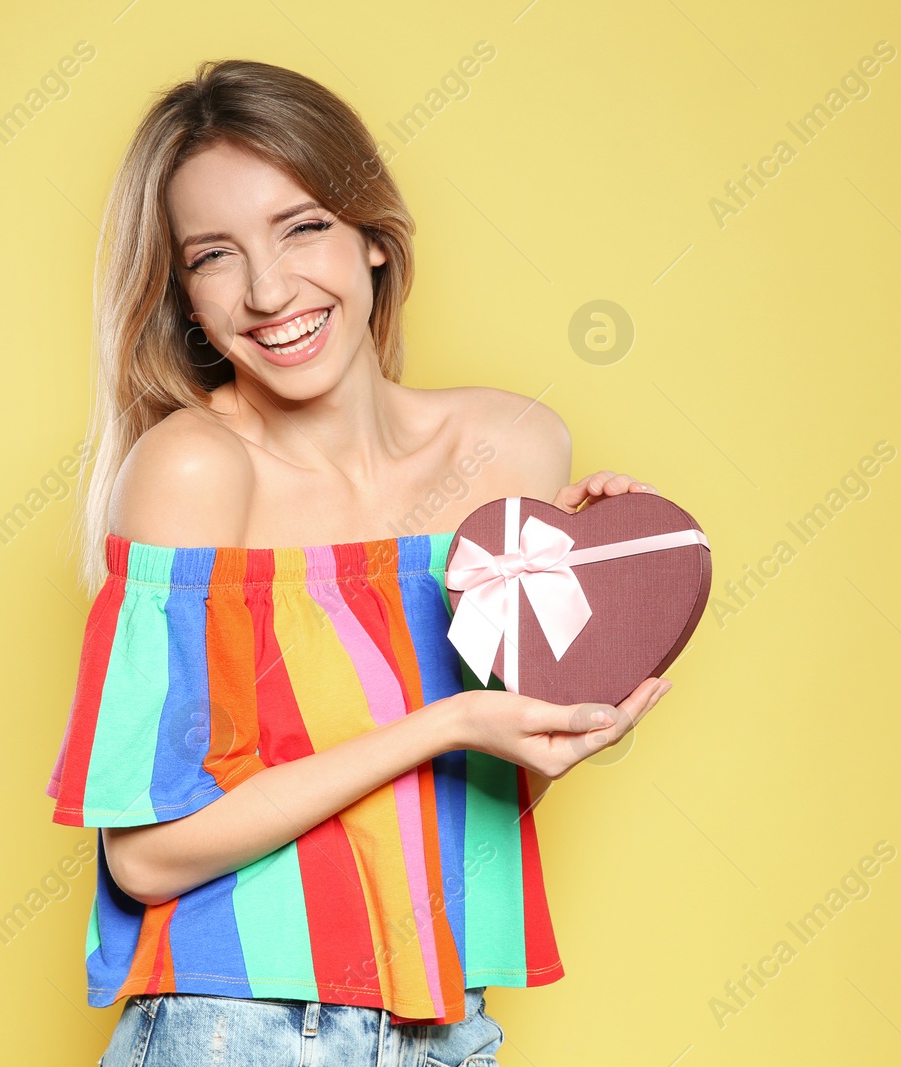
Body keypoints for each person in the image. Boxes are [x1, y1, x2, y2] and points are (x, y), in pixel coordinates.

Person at [46, 58, 673, 1067]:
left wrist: (601, 619)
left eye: (302, 227)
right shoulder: (197, 469)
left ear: (373, 238)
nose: (266, 289)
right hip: (236, 1030)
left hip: (443, 1026)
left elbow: (470, 799)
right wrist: (449, 720)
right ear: (184, 297)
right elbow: (145, 856)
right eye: (212, 255)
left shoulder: (510, 449)